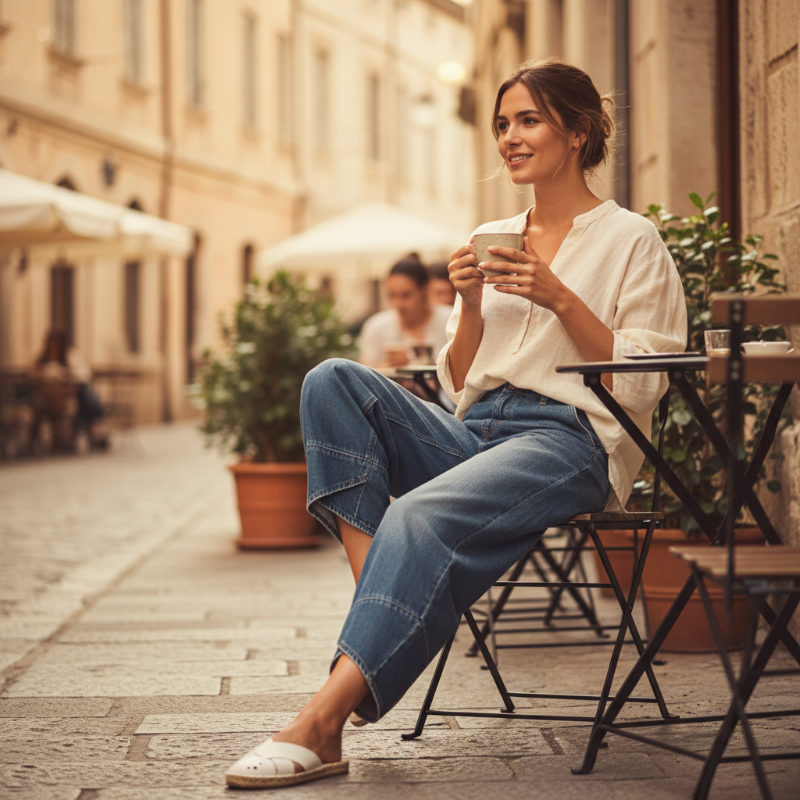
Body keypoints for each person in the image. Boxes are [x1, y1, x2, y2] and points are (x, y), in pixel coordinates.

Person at [225, 57, 687, 789]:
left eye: (528, 120)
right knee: (332, 381)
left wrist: (561, 298)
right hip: (475, 432)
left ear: (578, 132)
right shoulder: (493, 234)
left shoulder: (633, 239)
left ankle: (322, 721)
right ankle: (387, 604)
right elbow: (458, 383)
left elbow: (643, 385)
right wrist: (469, 304)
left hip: (568, 439)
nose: (509, 138)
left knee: (414, 517)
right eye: (502, 124)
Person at [358, 254, 451, 368]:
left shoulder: (450, 321)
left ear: (425, 290)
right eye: (392, 295)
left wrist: (410, 363)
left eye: (406, 295)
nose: (398, 304)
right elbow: (365, 372)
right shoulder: (376, 327)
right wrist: (387, 367)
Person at [30, 330, 108, 451]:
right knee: (87, 398)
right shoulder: (41, 361)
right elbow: (33, 376)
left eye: (55, 345)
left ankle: (89, 431)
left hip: (67, 397)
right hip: (48, 398)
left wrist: (66, 375)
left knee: (85, 397)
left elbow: (83, 376)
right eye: (50, 345)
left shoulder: (70, 357)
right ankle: (93, 430)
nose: (53, 348)